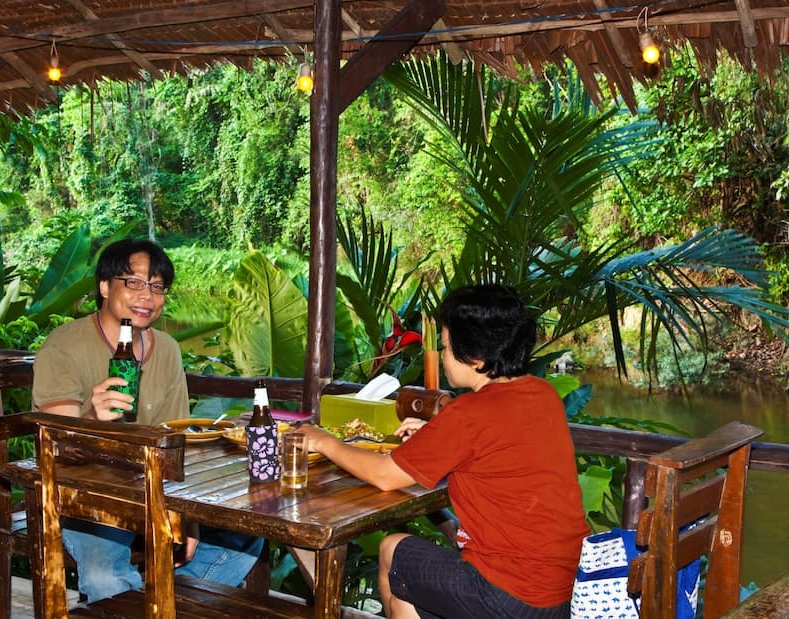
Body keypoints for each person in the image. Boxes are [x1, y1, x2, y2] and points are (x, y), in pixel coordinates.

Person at [300, 284, 589, 618]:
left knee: (392, 550)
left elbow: (384, 475)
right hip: (563, 590)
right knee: (408, 593)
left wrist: (324, 441)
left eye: (447, 347)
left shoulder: (469, 413)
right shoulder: (542, 394)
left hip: (511, 592)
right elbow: (500, 444)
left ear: (476, 358)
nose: (442, 355)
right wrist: (437, 434)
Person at [32, 238, 263, 602]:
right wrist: (92, 417)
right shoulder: (64, 346)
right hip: (84, 496)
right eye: (134, 283)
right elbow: (54, 445)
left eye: (157, 287)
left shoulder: (166, 349)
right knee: (105, 577)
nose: (147, 296)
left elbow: (176, 440)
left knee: (246, 534)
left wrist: (188, 517)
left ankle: (159, 604)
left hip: (152, 490)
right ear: (105, 287)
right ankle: (143, 603)